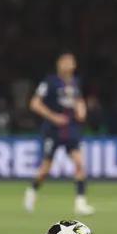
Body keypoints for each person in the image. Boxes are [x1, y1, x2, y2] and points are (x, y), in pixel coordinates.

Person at [23, 52, 95, 216]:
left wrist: (82, 110)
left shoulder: (75, 83)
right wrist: (53, 117)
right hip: (53, 130)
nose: (68, 65)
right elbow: (35, 104)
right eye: (65, 62)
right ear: (59, 64)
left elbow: (78, 100)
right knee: (45, 169)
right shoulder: (50, 82)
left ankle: (80, 203)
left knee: (79, 163)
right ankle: (32, 190)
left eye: (71, 62)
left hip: (71, 129)